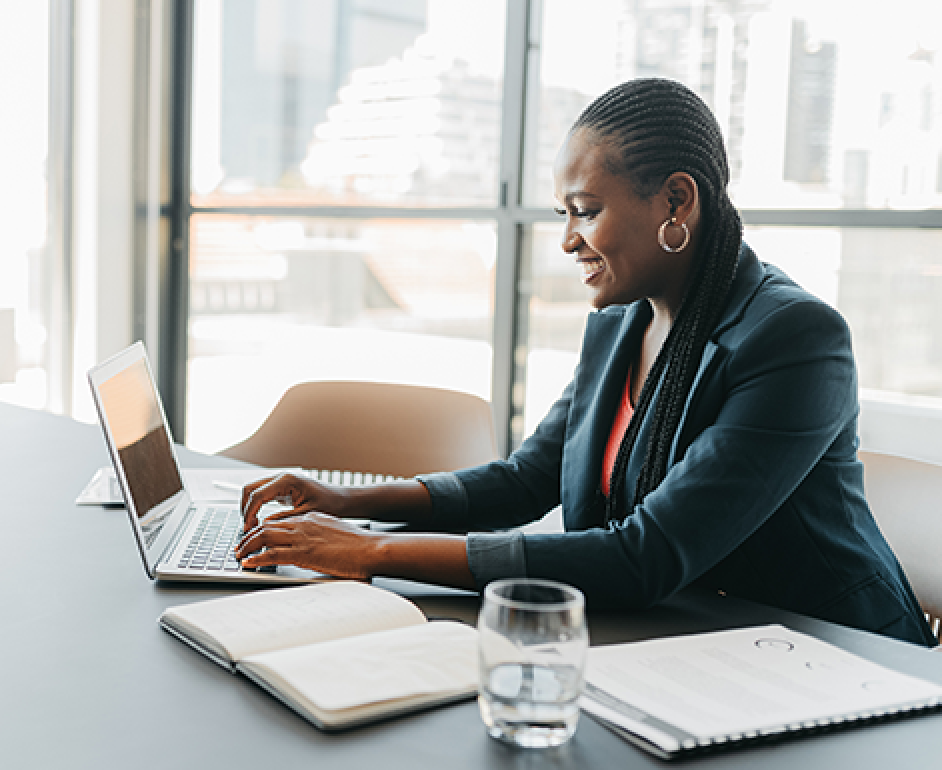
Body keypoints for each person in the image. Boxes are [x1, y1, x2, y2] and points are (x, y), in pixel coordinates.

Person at [235, 78, 936, 647]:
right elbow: (528, 477)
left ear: (676, 200)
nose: (567, 241)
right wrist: (349, 503)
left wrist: (373, 553)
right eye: (562, 214)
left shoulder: (795, 340)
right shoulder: (624, 321)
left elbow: (645, 555)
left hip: (831, 660)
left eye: (584, 210)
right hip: (686, 639)